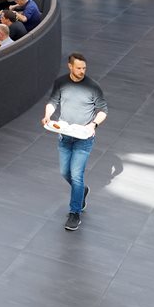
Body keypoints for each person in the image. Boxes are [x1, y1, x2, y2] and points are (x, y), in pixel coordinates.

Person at [43, 53, 108, 231]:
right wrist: (48, 115)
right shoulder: (61, 82)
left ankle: (75, 213)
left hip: (84, 138)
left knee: (76, 175)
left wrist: (93, 124)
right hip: (64, 134)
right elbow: (53, 101)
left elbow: (103, 111)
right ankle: (82, 192)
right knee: (65, 173)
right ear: (70, 66)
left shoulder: (93, 86)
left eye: (84, 68)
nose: (82, 71)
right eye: (78, 68)